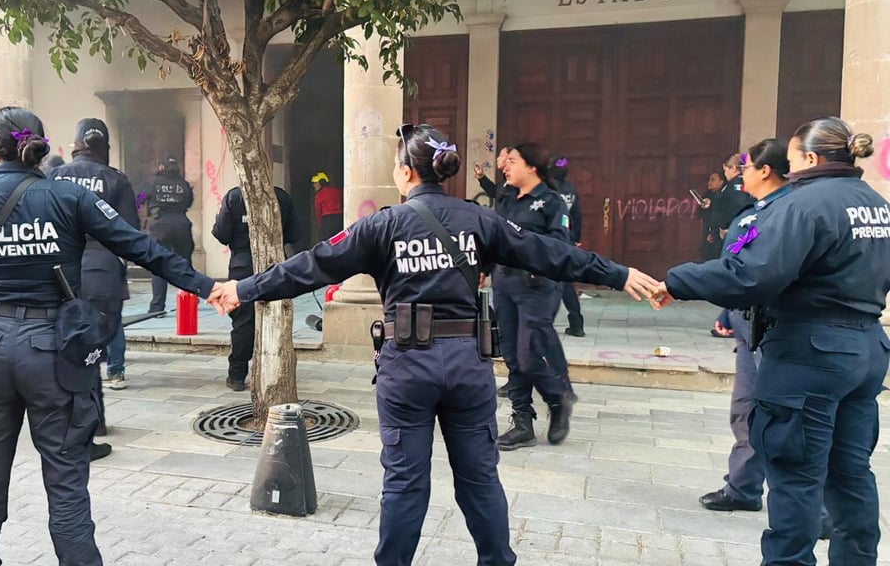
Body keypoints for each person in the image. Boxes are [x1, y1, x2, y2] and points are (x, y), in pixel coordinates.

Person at [209, 123, 660, 566]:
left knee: (405, 484)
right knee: (480, 480)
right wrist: (618, 274)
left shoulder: (382, 225)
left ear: (406, 172)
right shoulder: (480, 219)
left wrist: (244, 288)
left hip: (407, 367)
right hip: (468, 364)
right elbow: (551, 253)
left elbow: (312, 265)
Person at [0, 107, 218, 566]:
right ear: (41, 145)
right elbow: (141, 246)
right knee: (66, 484)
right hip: (51, 351)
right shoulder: (67, 198)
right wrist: (207, 287)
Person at [655, 117, 884, 566]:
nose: (789, 166)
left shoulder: (803, 205)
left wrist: (677, 280)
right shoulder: (876, 203)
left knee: (796, 475)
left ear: (812, 158)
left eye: (794, 157)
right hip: (866, 349)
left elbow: (752, 274)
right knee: (851, 473)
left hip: (809, 352)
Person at [698, 138, 790, 514]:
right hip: (747, 323)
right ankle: (743, 486)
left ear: (765, 170)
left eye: (745, 168)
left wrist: (678, 284)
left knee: (788, 418)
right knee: (746, 409)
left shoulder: (789, 213)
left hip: (776, 331)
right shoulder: (756, 209)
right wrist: (726, 311)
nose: (740, 176)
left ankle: (815, 507)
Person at [491, 143, 578, 448]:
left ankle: (558, 399)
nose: (506, 166)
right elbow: (493, 237)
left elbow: (559, 244)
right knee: (513, 355)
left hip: (537, 286)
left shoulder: (551, 202)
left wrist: (523, 241)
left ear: (532, 167)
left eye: (512, 161)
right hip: (504, 283)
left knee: (531, 352)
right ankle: (522, 420)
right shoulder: (505, 197)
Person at [49, 118, 138, 392]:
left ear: (75, 145)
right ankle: (115, 371)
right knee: (109, 324)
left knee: (66, 328)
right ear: (105, 146)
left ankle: (72, 380)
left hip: (59, 269)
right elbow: (130, 230)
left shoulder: (53, 177)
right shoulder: (115, 179)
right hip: (104, 267)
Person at [212, 185, 299, 391]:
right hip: (275, 265)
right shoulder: (281, 196)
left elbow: (221, 233)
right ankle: (274, 374)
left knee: (244, 322)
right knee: (276, 317)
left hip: (243, 266)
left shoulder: (234, 196)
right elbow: (295, 233)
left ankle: (237, 375)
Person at [145, 157, 195, 313]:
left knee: (159, 265)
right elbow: (189, 202)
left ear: (161, 167)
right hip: (181, 223)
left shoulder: (153, 183)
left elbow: (140, 197)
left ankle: (157, 307)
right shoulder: (184, 184)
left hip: (161, 225)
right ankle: (189, 299)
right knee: (184, 263)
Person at [549, 155, 586, 338]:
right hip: (567, 240)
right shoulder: (570, 190)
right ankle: (576, 322)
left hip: (549, 241)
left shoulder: (547, 189)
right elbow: (577, 216)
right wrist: (576, 238)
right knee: (565, 283)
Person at [311, 171, 343, 242]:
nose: (314, 185)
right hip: (338, 219)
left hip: (327, 220)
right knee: (338, 241)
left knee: (327, 243)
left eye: (316, 183)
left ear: (322, 183)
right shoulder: (337, 191)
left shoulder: (318, 195)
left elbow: (318, 211)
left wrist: (319, 224)